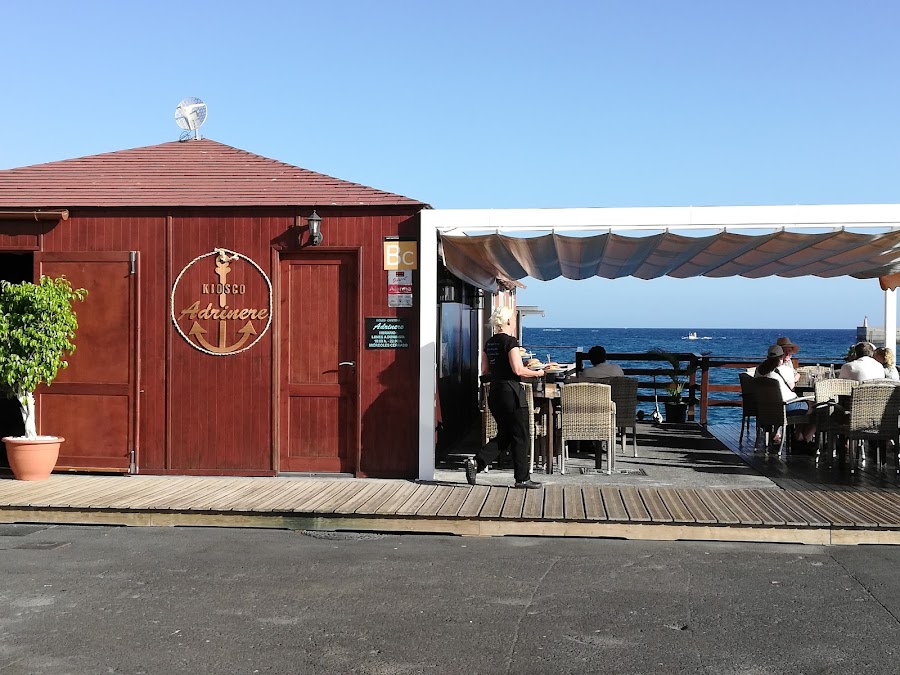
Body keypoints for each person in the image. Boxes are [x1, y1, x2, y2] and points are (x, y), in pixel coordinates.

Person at [465, 306, 543, 489]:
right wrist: (538, 373)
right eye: (513, 320)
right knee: (521, 435)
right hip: (512, 393)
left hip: (495, 392)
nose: (514, 323)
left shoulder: (490, 343)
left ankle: (477, 462)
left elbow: (485, 370)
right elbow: (518, 370)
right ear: (508, 321)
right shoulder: (511, 342)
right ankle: (522, 478)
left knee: (506, 434)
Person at [755, 344, 816, 445]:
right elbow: (791, 387)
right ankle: (806, 439)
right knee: (817, 407)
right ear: (781, 357)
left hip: (767, 408)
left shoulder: (759, 371)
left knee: (805, 406)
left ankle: (799, 437)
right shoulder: (785, 370)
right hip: (785, 406)